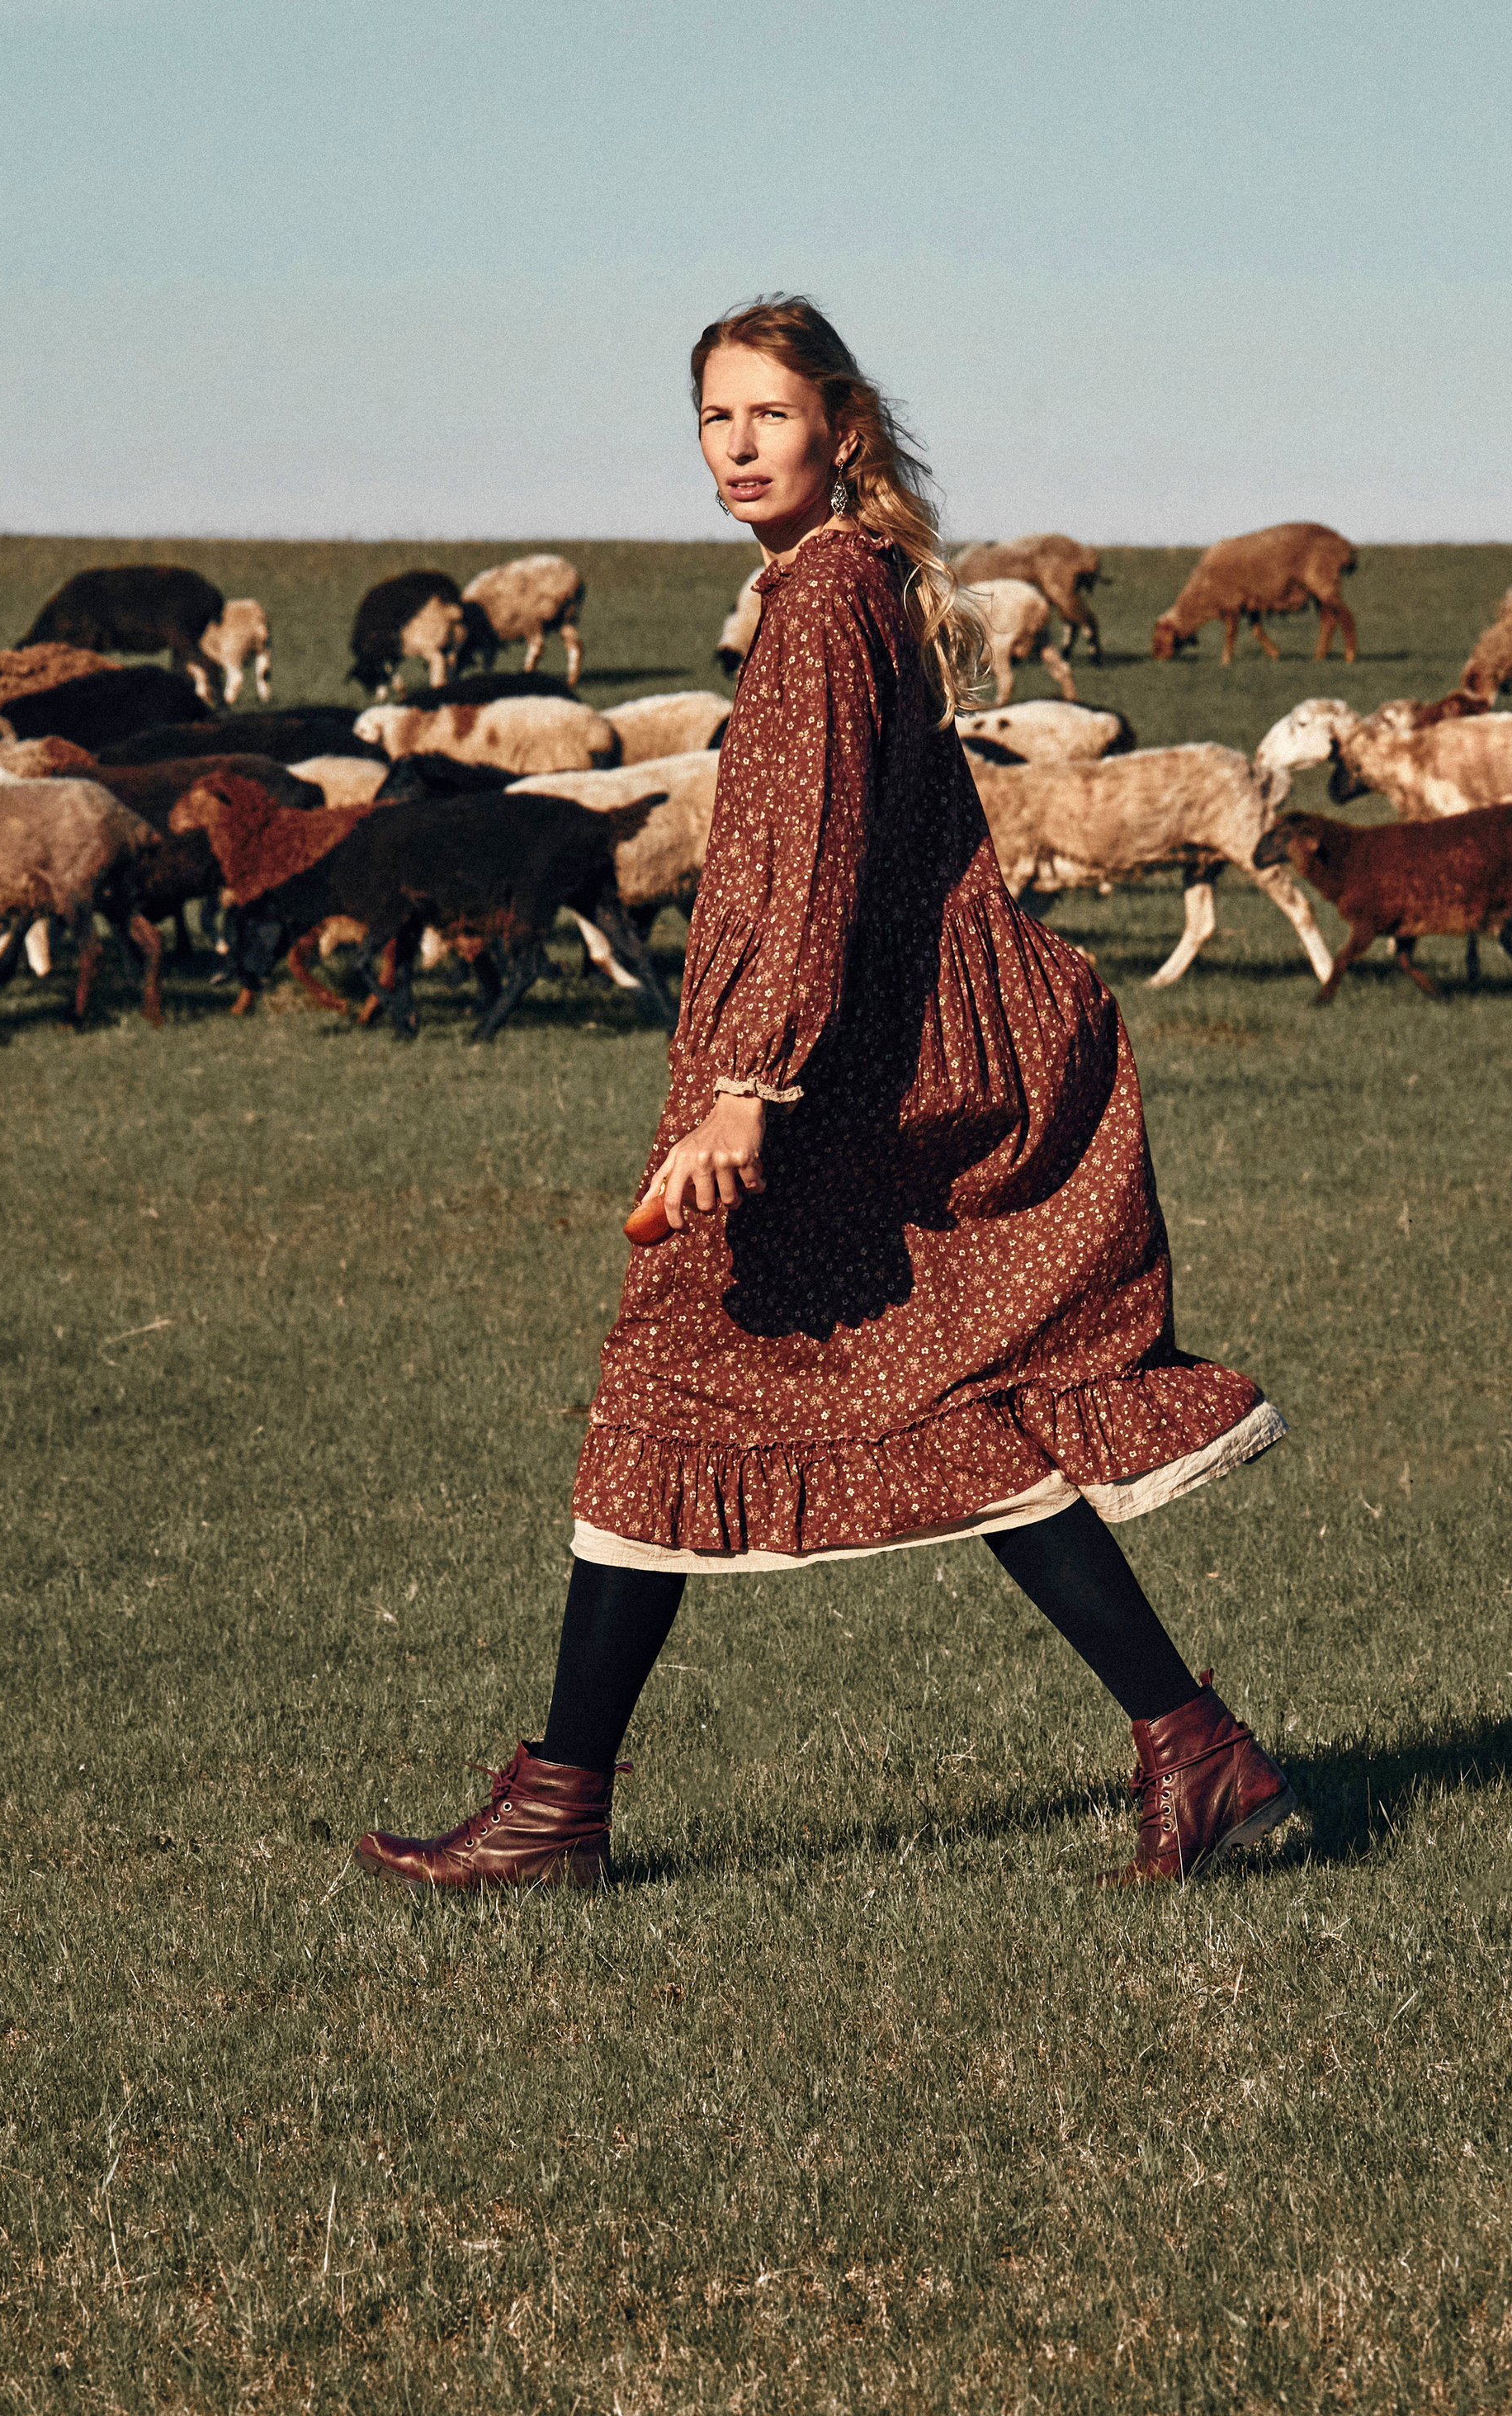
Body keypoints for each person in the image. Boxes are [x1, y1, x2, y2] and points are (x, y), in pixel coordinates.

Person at [355, 297, 1294, 1894]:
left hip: (834, 1079)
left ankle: (558, 1811)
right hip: (875, 1057)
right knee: (920, 1402)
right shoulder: (844, 585)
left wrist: (747, 1086)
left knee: (681, 1387)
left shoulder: (818, 604)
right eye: (712, 420)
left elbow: (809, 857)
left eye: (768, 417)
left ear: (839, 429)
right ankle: (1195, 1750)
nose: (734, 448)